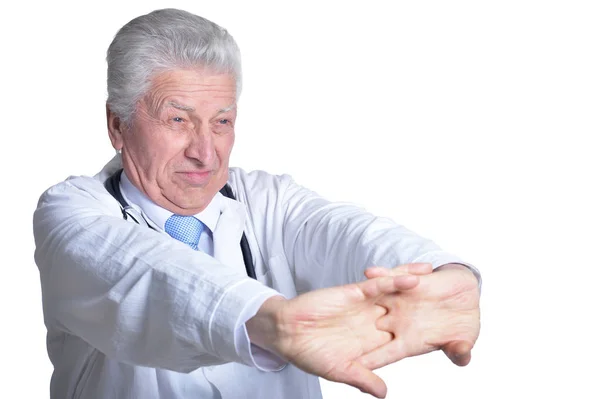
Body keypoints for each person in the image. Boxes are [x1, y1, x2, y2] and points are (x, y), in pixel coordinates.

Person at [33, 8, 481, 399]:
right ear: (117, 125)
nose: (205, 152)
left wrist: (442, 275)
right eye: (177, 120)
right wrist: (272, 323)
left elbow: (346, 233)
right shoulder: (72, 213)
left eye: (222, 121)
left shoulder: (269, 201)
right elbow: (147, 275)